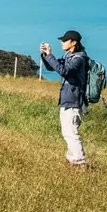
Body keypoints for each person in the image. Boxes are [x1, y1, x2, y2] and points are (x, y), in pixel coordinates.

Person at [40, 30, 89, 168]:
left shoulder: (78, 59)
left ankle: (79, 162)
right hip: (67, 100)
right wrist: (45, 54)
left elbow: (64, 71)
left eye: (65, 40)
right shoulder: (70, 56)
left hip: (73, 101)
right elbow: (52, 67)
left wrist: (50, 55)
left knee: (71, 133)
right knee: (67, 132)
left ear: (74, 43)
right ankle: (73, 159)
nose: (62, 42)